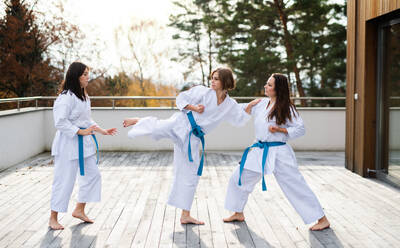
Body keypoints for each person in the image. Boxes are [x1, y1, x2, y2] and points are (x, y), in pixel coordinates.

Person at [123, 68, 260, 225]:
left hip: (193, 138)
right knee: (158, 127)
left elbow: (239, 117)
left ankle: (185, 215)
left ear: (225, 81)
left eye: (216, 79)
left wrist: (251, 105)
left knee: (190, 175)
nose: (212, 81)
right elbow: (181, 99)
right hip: (181, 124)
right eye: (212, 78)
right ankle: (139, 120)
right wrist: (195, 108)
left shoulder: (229, 104)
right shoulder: (202, 92)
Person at [223, 73, 330, 231]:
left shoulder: (287, 107)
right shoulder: (261, 103)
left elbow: (300, 129)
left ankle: (321, 219)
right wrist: (234, 101)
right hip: (259, 150)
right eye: (266, 84)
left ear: (278, 89)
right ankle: (238, 212)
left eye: (270, 85)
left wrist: (281, 130)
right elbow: (238, 110)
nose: (266, 87)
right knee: (239, 177)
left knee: (295, 185)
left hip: (279, 152)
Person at [49, 62, 117, 230]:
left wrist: (102, 131)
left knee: (93, 176)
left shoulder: (84, 97)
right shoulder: (65, 98)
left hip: (84, 144)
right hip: (67, 144)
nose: (88, 77)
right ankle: (53, 218)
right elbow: (60, 122)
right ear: (76, 76)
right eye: (85, 74)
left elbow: (87, 120)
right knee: (64, 181)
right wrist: (80, 132)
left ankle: (79, 209)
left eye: (88, 74)